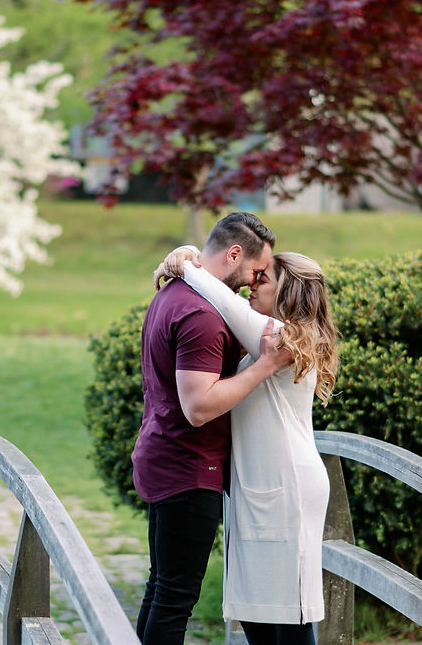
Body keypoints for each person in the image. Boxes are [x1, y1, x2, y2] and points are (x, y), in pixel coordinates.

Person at [155, 246, 340, 645]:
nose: (251, 285)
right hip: (258, 486)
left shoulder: (283, 338)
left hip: (285, 485)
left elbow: (219, 295)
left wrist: (187, 263)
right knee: (256, 614)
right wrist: (191, 255)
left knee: (289, 617)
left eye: (263, 280)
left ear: (288, 293)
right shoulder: (267, 337)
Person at [133, 211, 292, 645]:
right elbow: (199, 407)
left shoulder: (177, 292)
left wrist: (184, 258)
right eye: (257, 270)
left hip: (166, 457)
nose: (255, 281)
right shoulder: (201, 314)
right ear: (235, 253)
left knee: (162, 588)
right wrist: (264, 366)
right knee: (174, 597)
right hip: (188, 468)